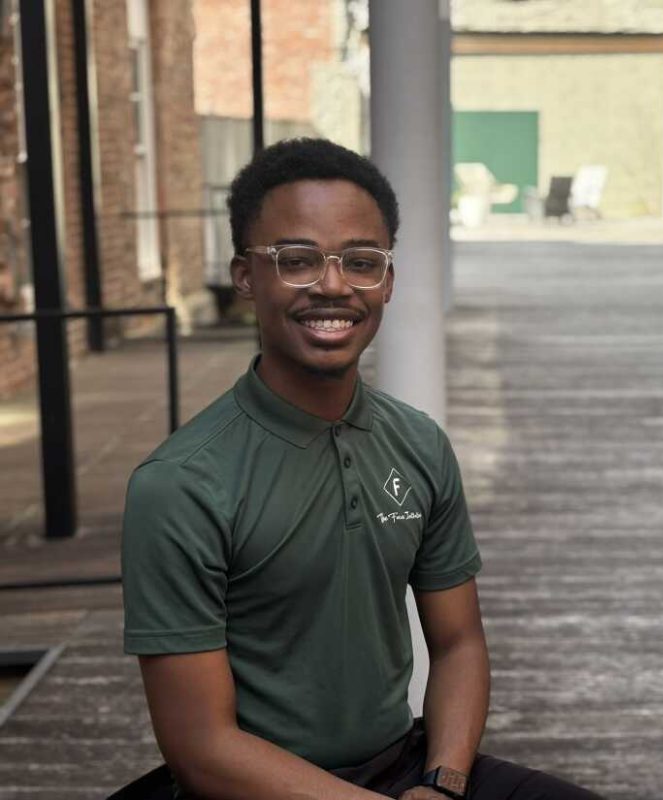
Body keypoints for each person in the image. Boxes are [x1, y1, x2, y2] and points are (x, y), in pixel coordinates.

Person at [119, 138, 604, 800]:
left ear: (388, 280)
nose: (332, 285)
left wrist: (442, 782)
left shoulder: (417, 443)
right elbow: (201, 746)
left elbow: (459, 644)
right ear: (243, 276)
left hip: (401, 765)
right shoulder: (180, 485)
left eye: (360, 261)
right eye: (296, 260)